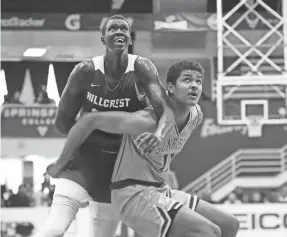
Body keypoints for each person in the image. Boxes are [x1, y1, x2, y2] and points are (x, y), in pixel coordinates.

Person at [50, 60, 240, 237]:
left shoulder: (195, 115)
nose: (194, 86)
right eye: (187, 80)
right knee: (208, 231)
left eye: (199, 81)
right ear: (171, 88)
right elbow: (88, 120)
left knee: (229, 224)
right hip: (131, 194)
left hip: (159, 190)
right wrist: (60, 163)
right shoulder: (146, 121)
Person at [37, 14, 175, 237]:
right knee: (53, 229)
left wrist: (159, 134)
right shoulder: (85, 71)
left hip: (119, 173)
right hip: (83, 164)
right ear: (103, 39)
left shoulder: (142, 68)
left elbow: (166, 111)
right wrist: (98, 132)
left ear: (130, 39)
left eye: (123, 28)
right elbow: (62, 124)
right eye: (113, 28)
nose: (119, 31)